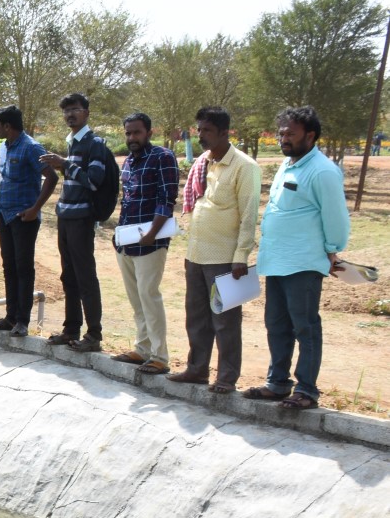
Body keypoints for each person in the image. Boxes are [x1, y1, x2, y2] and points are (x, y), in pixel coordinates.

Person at [244, 105, 351, 410]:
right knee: (276, 324)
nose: (284, 138)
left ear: (311, 135)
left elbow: (336, 217)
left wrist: (333, 248)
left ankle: (306, 390)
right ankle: (277, 384)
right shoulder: (287, 165)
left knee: (305, 327)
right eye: (282, 133)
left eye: (291, 133)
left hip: (304, 263)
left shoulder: (323, 170)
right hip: (276, 261)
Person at [168, 107, 261, 394]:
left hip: (224, 259)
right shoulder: (203, 163)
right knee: (196, 317)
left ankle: (226, 378)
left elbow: (248, 215)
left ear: (224, 132)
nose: (200, 136)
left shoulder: (245, 167)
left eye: (206, 130)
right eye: (198, 130)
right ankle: (197, 370)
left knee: (225, 321)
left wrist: (241, 257)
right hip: (196, 255)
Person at [39, 92, 118, 353]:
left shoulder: (94, 144)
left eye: (74, 109)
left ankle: (93, 334)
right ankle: (71, 329)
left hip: (81, 218)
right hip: (66, 216)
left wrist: (64, 165)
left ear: (86, 112)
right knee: (68, 275)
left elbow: (93, 180)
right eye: (66, 111)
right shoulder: (72, 142)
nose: (69, 115)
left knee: (85, 276)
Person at [111, 112, 178, 375]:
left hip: (151, 242)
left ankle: (160, 356)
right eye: (128, 133)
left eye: (137, 132)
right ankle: (142, 349)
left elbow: (167, 199)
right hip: (126, 241)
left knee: (149, 296)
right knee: (136, 299)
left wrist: (153, 232)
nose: (131, 137)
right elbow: (127, 201)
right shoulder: (128, 161)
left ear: (149, 133)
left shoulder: (163, 157)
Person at [0, 106, 55, 336]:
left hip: (23, 218)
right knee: (9, 267)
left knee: (23, 268)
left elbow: (52, 177)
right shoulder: (4, 147)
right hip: (5, 216)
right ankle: (10, 316)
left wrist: (35, 208)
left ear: (7, 126)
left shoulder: (31, 147)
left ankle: (22, 321)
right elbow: (5, 178)